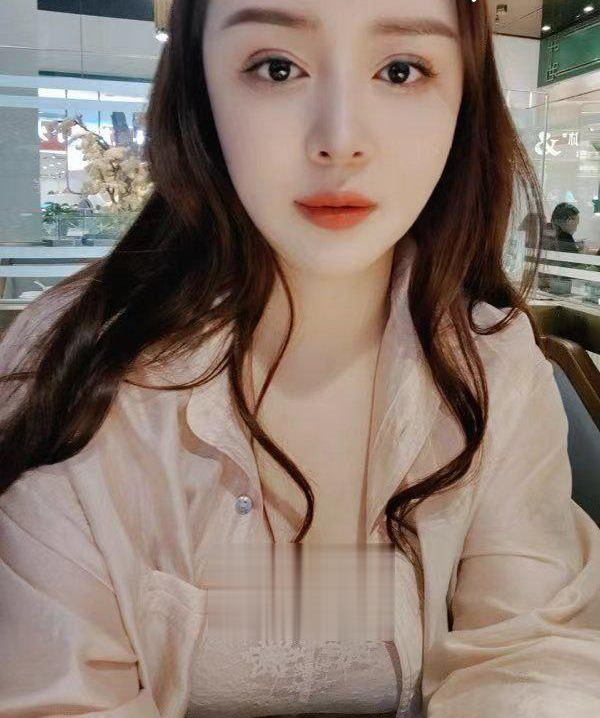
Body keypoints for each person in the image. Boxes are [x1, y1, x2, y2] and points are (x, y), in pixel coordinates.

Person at [1, 1, 599, 717]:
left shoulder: (494, 366)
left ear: (463, 100)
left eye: (401, 70)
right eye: (277, 68)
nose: (340, 141)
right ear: (198, 86)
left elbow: (528, 660)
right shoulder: (72, 364)